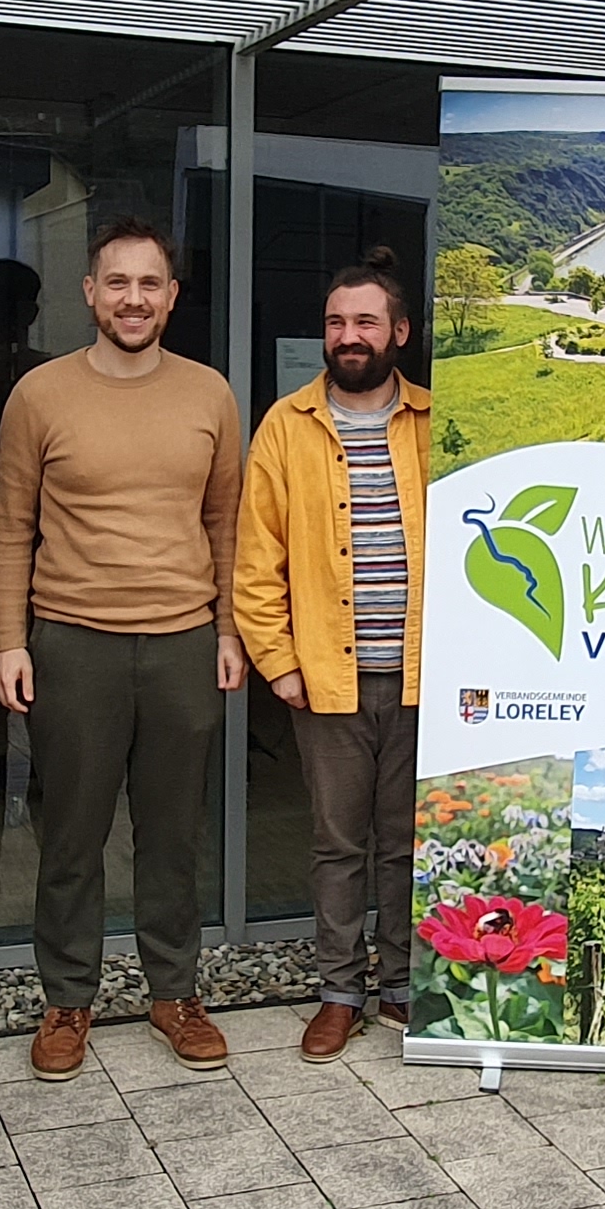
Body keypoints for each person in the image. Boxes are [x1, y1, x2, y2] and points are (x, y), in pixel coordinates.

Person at [0, 217, 246, 1079]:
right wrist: (10, 641)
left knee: (173, 834)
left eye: (150, 284)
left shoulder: (210, 393)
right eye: (117, 283)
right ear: (90, 293)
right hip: (73, 644)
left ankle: (174, 992)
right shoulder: (40, 395)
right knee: (72, 834)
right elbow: (9, 528)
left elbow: (226, 523)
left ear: (171, 297)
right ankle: (69, 1001)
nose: (133, 299)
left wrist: (229, 629)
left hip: (181, 643)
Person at [235, 254, 434, 1058]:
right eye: (334, 323)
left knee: (405, 840)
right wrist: (279, 661)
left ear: (399, 333)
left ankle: (401, 985)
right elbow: (256, 560)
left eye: (364, 322)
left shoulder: (433, 422)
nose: (347, 337)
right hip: (327, 677)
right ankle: (338, 991)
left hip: (424, 676)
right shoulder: (286, 426)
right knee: (337, 843)